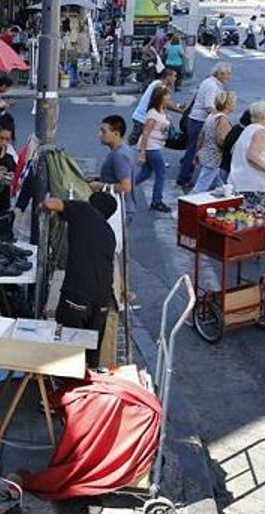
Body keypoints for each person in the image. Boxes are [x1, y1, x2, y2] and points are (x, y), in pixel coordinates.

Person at [42, 193, 118, 367]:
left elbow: (53, 203)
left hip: (78, 293)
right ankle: (87, 379)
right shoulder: (109, 233)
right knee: (91, 351)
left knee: (67, 349)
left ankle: (64, 381)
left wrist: (42, 207)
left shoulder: (84, 210)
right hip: (102, 298)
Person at [179, 62, 232, 189]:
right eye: (228, 74)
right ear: (220, 74)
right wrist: (219, 117)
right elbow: (209, 106)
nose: (229, 76)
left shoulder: (210, 82)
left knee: (193, 148)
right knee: (194, 150)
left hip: (196, 119)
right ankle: (184, 177)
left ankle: (188, 169)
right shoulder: (212, 86)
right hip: (199, 120)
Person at [229, 101, 265, 210]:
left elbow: (233, 150)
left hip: (239, 181)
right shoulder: (261, 132)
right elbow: (252, 155)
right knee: (252, 215)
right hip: (253, 184)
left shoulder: (248, 129)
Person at [89, 115, 136, 219]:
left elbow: (125, 187)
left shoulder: (119, 155)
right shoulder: (123, 149)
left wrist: (99, 186)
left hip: (119, 210)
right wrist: (99, 178)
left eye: (103, 131)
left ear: (116, 134)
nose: (99, 135)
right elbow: (118, 176)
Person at [192, 92, 238, 193]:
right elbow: (221, 140)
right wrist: (232, 148)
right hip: (214, 156)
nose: (235, 105)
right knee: (200, 187)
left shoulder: (212, 115)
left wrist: (198, 152)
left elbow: (201, 135)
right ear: (228, 105)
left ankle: (225, 197)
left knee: (219, 184)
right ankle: (187, 202)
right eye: (234, 102)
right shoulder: (223, 119)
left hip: (207, 153)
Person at [136, 86, 173, 213]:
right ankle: (157, 201)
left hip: (155, 145)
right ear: (160, 97)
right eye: (167, 95)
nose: (169, 97)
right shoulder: (152, 113)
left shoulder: (161, 110)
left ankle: (125, 188)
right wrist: (142, 153)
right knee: (161, 173)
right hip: (151, 147)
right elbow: (145, 132)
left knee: (145, 173)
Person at [129, 68, 185, 146]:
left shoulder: (159, 84)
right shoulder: (159, 86)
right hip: (142, 118)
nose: (175, 79)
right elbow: (166, 104)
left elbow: (166, 101)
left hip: (145, 118)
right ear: (168, 76)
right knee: (134, 143)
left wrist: (178, 106)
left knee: (144, 143)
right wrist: (182, 111)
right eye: (174, 76)